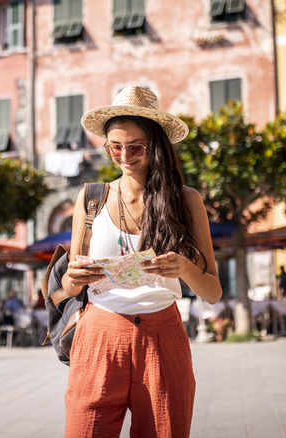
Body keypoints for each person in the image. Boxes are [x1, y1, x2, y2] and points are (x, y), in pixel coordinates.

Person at [61, 86, 222, 437]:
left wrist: (183, 268)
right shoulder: (90, 198)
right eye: (114, 147)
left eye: (135, 147)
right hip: (98, 337)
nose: (124, 156)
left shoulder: (186, 201)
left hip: (162, 340)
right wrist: (75, 277)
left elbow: (212, 292)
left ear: (156, 147)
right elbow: (69, 286)